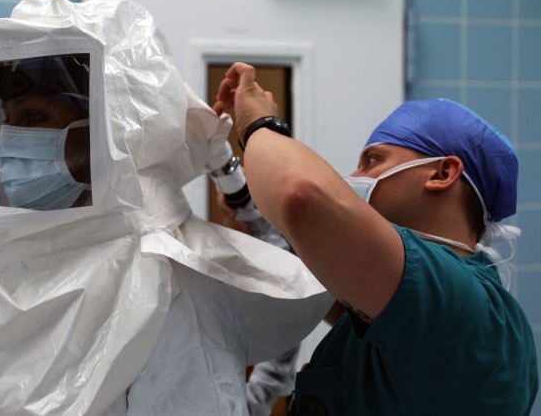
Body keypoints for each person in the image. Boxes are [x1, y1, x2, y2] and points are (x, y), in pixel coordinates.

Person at [0, 0, 333, 416]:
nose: (6, 146)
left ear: (111, 131)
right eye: (7, 119)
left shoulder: (167, 289)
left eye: (32, 117)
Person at [213, 62, 538, 415]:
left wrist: (257, 125)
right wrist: (256, 217)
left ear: (443, 173)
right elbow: (336, 284)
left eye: (372, 160)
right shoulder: (412, 310)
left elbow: (301, 194)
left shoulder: (457, 301)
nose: (355, 176)